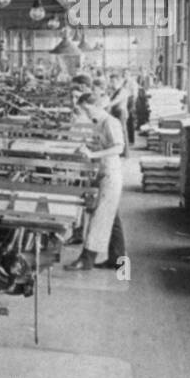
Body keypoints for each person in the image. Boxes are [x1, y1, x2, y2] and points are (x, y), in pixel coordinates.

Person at [64, 92, 126, 271]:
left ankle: (86, 260)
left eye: (86, 109)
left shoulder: (110, 122)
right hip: (102, 172)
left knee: (99, 217)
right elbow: (101, 144)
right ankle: (118, 259)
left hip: (111, 174)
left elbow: (119, 147)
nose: (87, 114)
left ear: (94, 106)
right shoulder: (98, 123)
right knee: (112, 217)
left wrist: (93, 154)